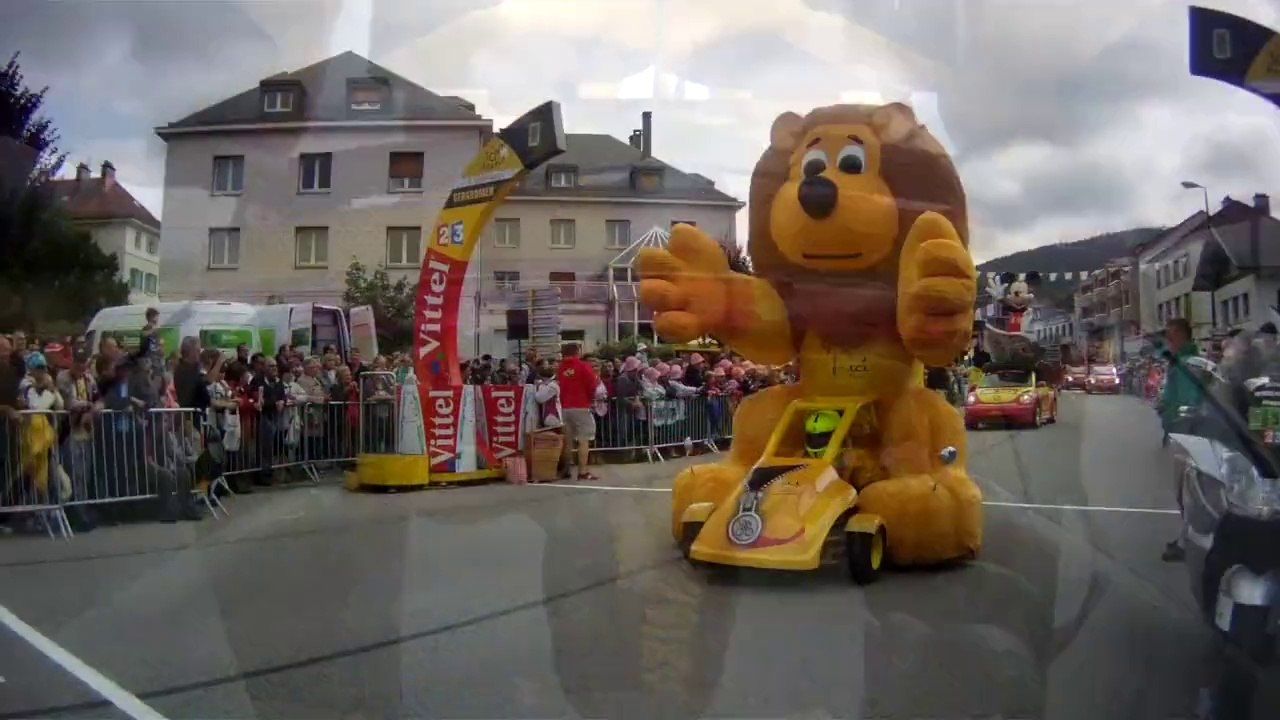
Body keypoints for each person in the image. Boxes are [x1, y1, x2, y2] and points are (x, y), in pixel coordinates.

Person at [1158, 317, 1202, 562]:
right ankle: (1187, 538)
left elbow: (1188, 403)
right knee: (1185, 492)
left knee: (1185, 492)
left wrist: (1175, 417)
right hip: (1183, 433)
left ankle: (1189, 543)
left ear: (1181, 335)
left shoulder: (1187, 363)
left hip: (1187, 435)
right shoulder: (1182, 361)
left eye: (1171, 334)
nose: (1168, 339)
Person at [556, 342, 601, 481]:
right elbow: (592, 385)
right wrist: (590, 399)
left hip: (564, 407)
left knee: (567, 440)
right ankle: (582, 472)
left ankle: (565, 470)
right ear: (577, 352)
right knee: (583, 440)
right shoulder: (583, 366)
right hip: (581, 405)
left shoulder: (561, 368)